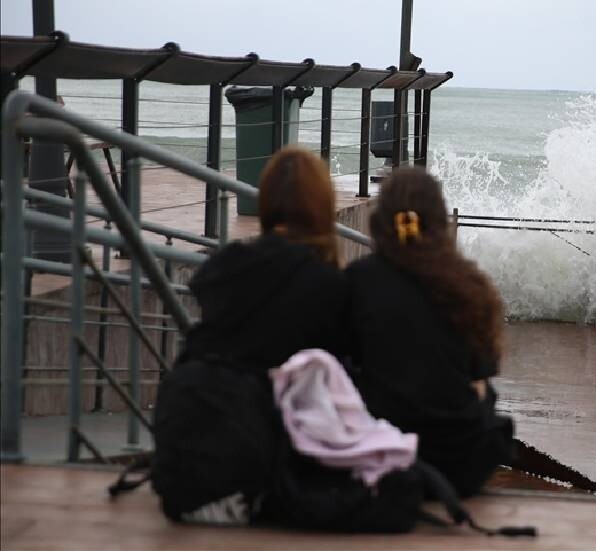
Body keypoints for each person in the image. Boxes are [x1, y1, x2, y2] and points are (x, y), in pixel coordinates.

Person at [346, 167, 515, 496]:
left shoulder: (358, 279)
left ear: (381, 224)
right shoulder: (470, 286)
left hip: (382, 457)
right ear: (439, 222)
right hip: (458, 466)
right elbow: (480, 379)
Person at [181, 146, 346, 375]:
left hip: (210, 401)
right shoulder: (329, 284)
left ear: (266, 199)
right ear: (323, 206)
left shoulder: (227, 266)